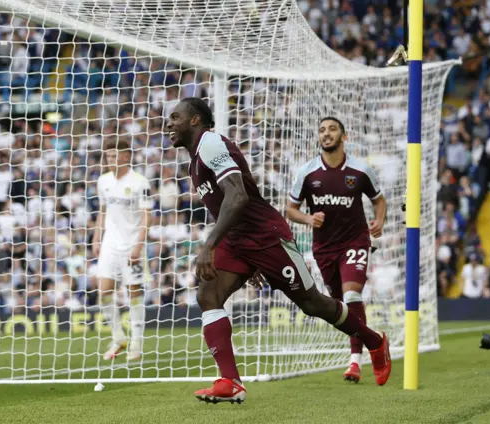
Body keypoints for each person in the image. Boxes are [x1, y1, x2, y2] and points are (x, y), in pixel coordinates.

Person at [166, 98, 391, 404]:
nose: (169, 123)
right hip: (237, 240)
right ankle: (230, 381)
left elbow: (238, 196)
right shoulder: (195, 158)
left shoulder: (210, 143)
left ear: (195, 120)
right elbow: (225, 205)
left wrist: (209, 245)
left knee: (313, 303)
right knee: (208, 294)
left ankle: (373, 341)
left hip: (265, 236)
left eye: (175, 117)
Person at [287, 117, 387, 384]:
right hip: (324, 248)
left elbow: (379, 200)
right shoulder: (306, 173)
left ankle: (356, 361)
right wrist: (308, 219)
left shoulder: (361, 170)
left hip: (355, 241)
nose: (326, 133)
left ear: (344, 136)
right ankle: (375, 342)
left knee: (352, 295)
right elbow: (290, 209)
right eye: (321, 130)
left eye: (332, 129)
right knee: (340, 306)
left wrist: (379, 220)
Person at [92, 137, 153, 361]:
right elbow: (102, 210)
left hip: (131, 245)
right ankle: (118, 337)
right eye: (108, 156)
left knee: (133, 293)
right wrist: (96, 237)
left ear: (126, 156)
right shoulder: (103, 181)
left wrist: (139, 245)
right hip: (109, 244)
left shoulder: (140, 182)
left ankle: (136, 342)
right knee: (104, 292)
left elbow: (148, 215)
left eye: (115, 155)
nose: (110, 159)